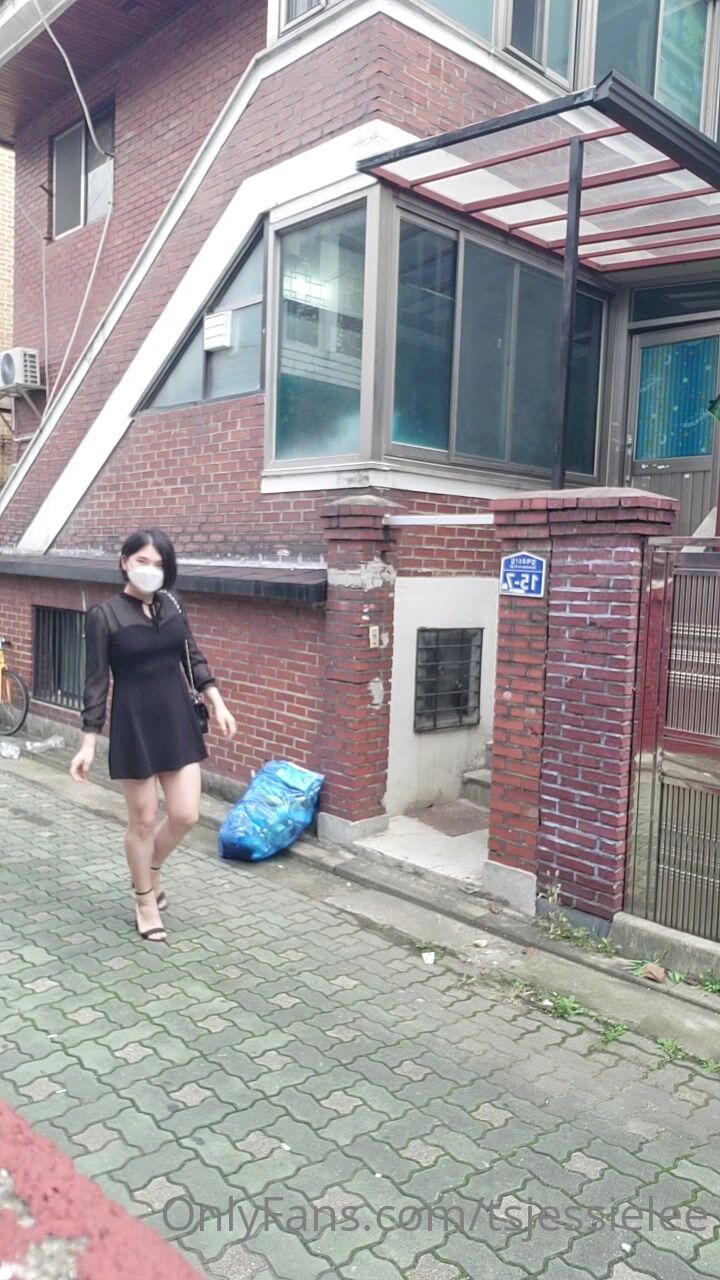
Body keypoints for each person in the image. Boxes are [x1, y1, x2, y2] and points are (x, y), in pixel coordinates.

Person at [70, 529, 236, 943]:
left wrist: (217, 701)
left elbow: (192, 656)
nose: (150, 570)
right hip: (135, 725)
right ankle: (145, 900)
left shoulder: (173, 604)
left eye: (159, 564)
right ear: (124, 562)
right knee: (143, 821)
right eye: (142, 561)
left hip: (177, 719)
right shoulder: (105, 616)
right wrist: (88, 742)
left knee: (186, 815)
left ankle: (150, 869)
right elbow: (96, 683)